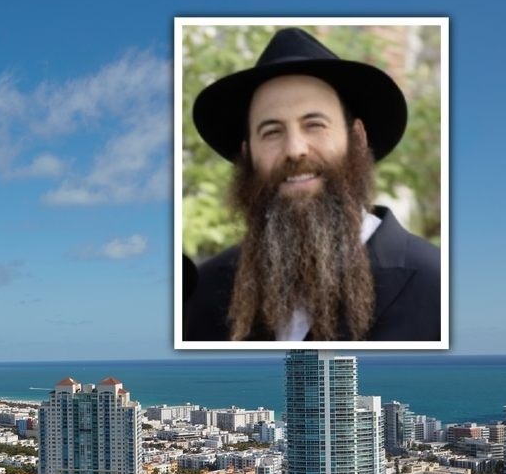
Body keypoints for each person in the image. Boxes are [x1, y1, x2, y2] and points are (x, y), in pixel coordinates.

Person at [183, 27, 441, 342]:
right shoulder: (202, 294)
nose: (295, 149)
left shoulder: (438, 286)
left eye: (314, 125)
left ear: (357, 139)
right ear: (248, 154)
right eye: (272, 132)